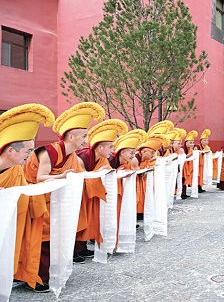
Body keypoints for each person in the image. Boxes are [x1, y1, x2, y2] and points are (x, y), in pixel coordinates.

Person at [22, 102, 105, 292]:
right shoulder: (48, 152)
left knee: (54, 236)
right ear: (71, 136)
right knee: (41, 239)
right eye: (83, 136)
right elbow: (40, 178)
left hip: (54, 201)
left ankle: (47, 273)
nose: (86, 140)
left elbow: (81, 174)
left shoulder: (73, 157)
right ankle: (34, 278)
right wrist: (60, 176)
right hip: (35, 200)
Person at [0, 104, 54, 292]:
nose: (31, 156)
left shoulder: (16, 169)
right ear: (10, 151)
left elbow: (24, 194)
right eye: (28, 151)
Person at [76, 119, 128, 258]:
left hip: (90, 194)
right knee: (79, 218)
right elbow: (80, 176)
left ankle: (82, 247)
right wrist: (97, 174)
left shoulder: (103, 160)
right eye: (110, 147)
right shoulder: (82, 157)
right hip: (78, 193)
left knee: (90, 219)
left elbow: (108, 173)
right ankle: (75, 250)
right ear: (100, 148)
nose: (113, 151)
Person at [181, 130, 197, 199]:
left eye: (193, 143)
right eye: (190, 143)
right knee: (181, 179)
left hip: (186, 166)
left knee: (184, 180)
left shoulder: (190, 149)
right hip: (182, 167)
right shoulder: (182, 148)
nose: (192, 144)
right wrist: (191, 154)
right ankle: (181, 193)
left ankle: (184, 193)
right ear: (186, 142)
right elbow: (182, 157)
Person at [196, 129, 211, 193]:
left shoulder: (207, 148)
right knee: (198, 176)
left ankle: (200, 186)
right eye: (204, 140)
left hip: (203, 164)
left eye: (207, 141)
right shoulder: (197, 147)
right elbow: (196, 153)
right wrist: (202, 153)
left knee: (202, 176)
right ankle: (197, 187)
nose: (206, 142)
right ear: (201, 141)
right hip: (198, 164)